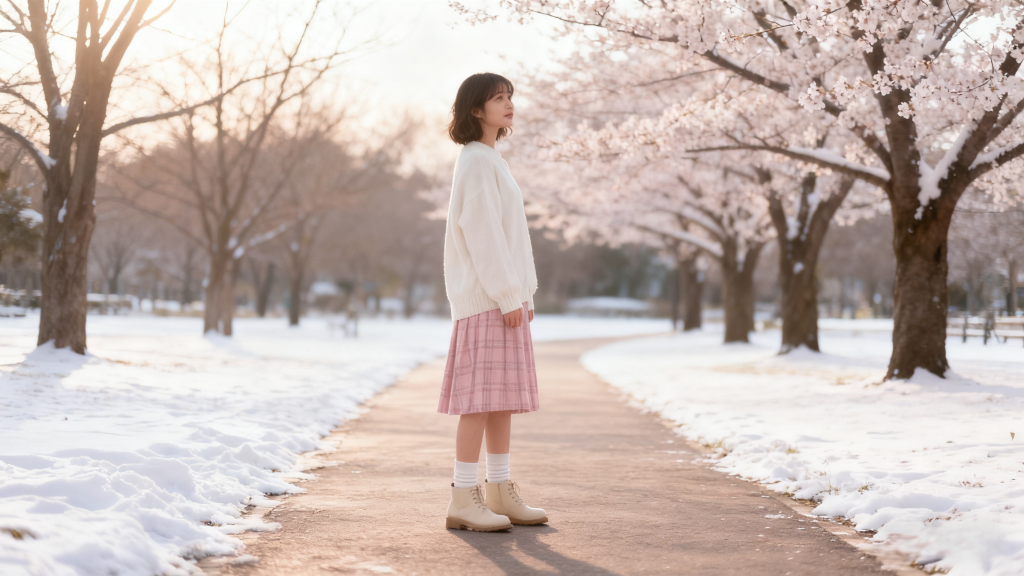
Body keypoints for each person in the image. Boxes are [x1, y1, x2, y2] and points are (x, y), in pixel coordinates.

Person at [438, 73, 547, 532]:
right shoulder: (478, 160)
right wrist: (506, 294)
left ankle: (500, 489)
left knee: (500, 401)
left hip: (502, 298)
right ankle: (464, 497)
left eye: (509, 97)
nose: (508, 104)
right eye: (497, 98)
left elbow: (511, 236)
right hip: (487, 300)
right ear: (476, 110)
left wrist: (523, 292)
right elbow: (482, 233)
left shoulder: (491, 159)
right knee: (479, 402)